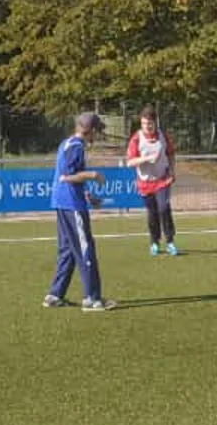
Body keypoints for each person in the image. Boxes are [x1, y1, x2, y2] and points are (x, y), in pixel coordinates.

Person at [45, 112, 116, 311]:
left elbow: (71, 176)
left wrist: (88, 195)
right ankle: (92, 299)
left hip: (63, 202)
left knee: (68, 249)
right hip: (71, 205)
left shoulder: (67, 143)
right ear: (90, 130)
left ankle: (55, 294)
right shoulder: (76, 147)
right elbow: (67, 176)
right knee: (86, 249)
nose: (98, 135)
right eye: (97, 130)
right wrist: (94, 175)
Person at [126, 106, 179, 256]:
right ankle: (154, 242)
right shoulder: (136, 139)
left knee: (163, 208)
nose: (146, 127)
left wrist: (173, 170)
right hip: (145, 182)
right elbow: (130, 162)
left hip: (162, 179)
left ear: (155, 123)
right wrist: (147, 159)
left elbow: (171, 154)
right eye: (143, 123)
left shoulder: (163, 136)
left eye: (149, 123)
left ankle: (170, 241)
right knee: (152, 213)